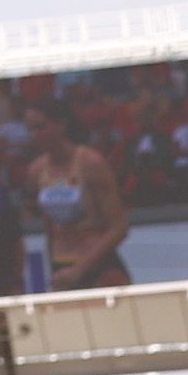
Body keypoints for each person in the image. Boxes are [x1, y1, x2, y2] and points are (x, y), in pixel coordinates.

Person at [22, 95, 131, 293]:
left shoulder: (90, 163)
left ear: (60, 124)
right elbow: (50, 230)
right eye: (30, 129)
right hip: (62, 264)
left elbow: (119, 227)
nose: (34, 135)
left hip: (99, 264)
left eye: (40, 127)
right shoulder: (36, 171)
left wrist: (81, 269)